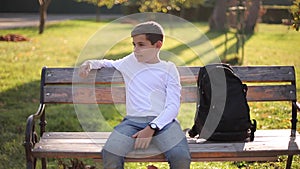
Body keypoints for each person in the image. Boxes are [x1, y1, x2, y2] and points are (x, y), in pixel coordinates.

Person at [79, 21, 191, 169]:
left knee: (180, 157)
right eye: (134, 44)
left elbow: (173, 106)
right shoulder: (129, 61)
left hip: (165, 123)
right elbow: (107, 63)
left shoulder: (169, 69)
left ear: (158, 45)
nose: (136, 50)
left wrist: (152, 127)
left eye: (141, 45)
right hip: (132, 123)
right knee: (111, 152)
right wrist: (89, 64)